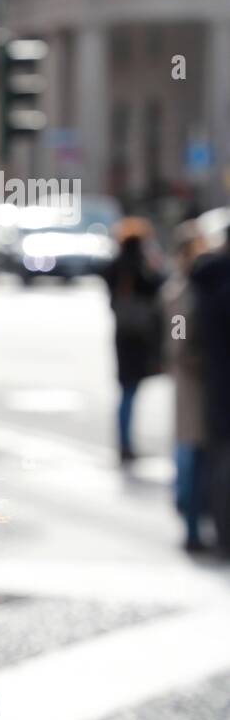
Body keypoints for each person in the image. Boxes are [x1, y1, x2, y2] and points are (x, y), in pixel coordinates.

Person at [161, 221, 211, 552]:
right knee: (190, 455)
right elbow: (177, 342)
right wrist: (192, 358)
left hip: (195, 386)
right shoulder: (181, 293)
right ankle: (190, 523)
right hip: (191, 387)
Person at [100, 217, 166, 463]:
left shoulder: (115, 264)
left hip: (122, 332)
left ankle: (123, 441)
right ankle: (125, 444)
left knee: (126, 390)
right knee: (130, 390)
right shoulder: (139, 264)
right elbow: (157, 287)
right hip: (138, 336)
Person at [189, 225, 230, 558]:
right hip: (212, 385)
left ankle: (215, 531)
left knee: (215, 462)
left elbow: (182, 333)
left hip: (212, 385)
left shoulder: (204, 281)